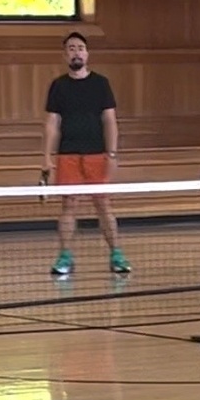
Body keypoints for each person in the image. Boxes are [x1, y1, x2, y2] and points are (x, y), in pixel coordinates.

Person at [42, 32, 130, 278]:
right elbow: (51, 123)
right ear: (65, 55)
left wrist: (112, 154)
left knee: (103, 205)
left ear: (87, 53)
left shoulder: (101, 83)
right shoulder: (58, 86)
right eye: (71, 48)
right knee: (69, 206)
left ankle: (117, 255)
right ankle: (65, 257)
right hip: (68, 155)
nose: (76, 52)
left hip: (97, 155)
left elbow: (110, 120)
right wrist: (46, 157)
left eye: (80, 47)